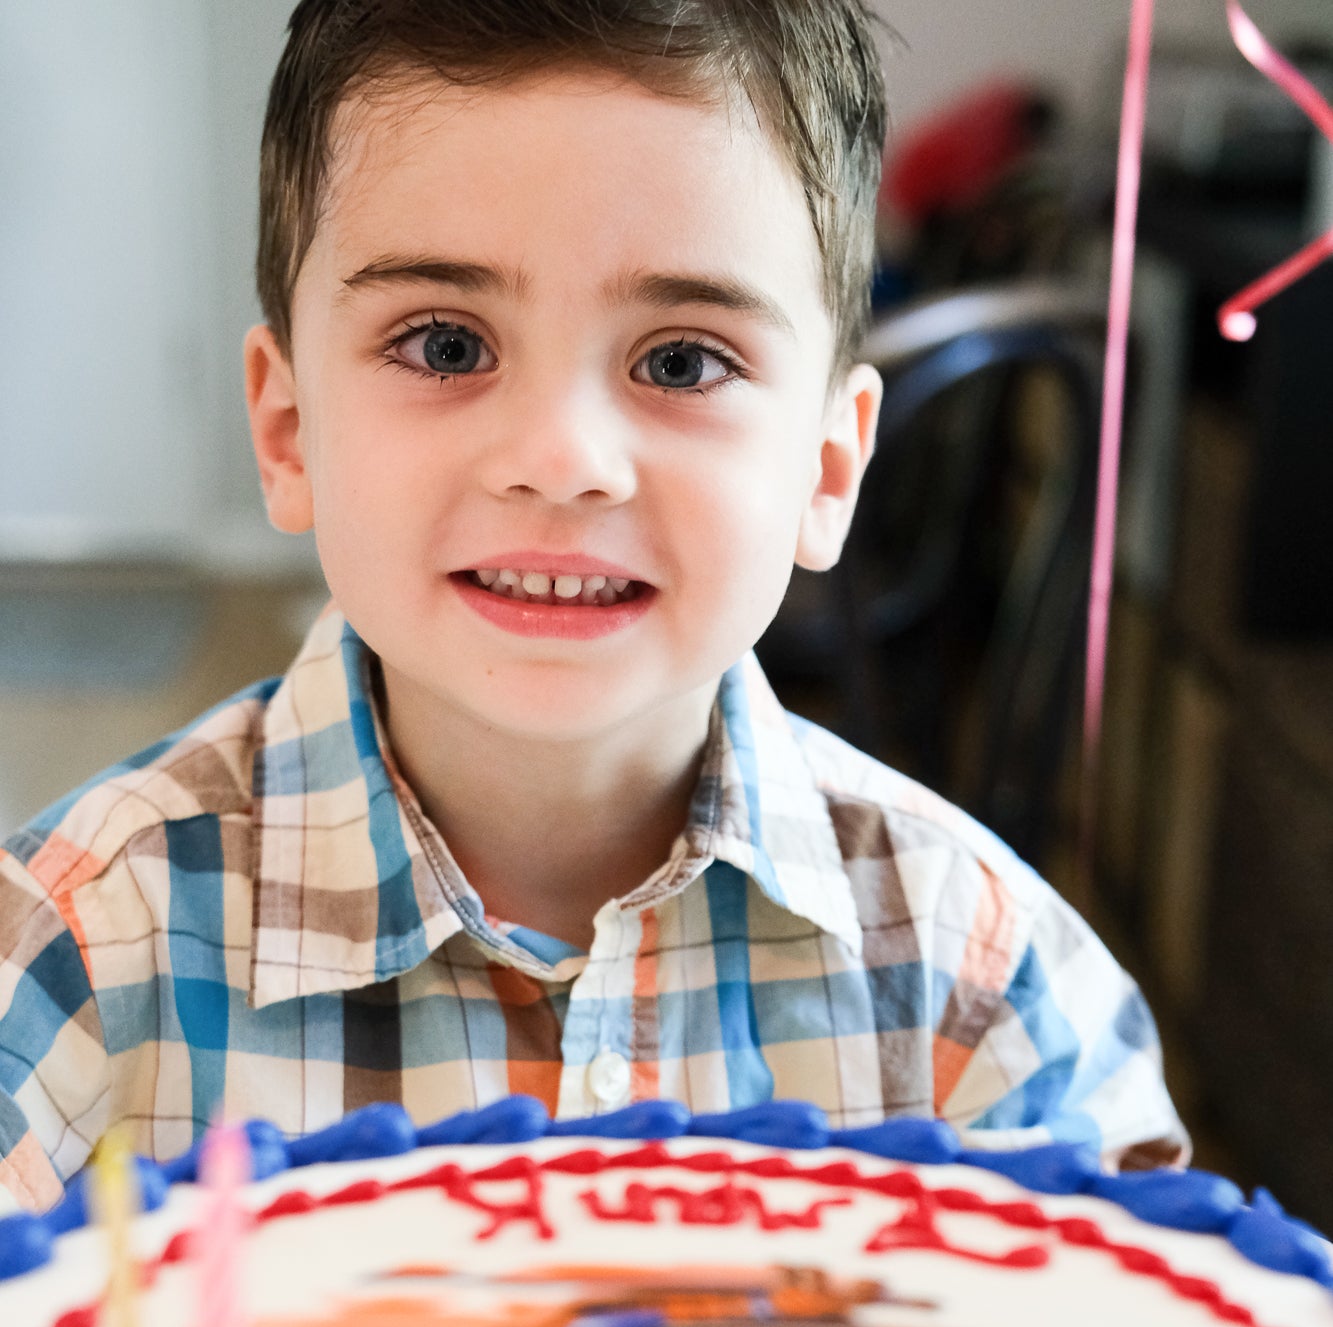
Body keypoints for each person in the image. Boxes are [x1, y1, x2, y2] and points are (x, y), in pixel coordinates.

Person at [0, 0, 1185, 1214]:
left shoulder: (987, 1001)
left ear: (827, 470)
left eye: (680, 361)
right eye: (447, 345)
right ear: (289, 430)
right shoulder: (69, 968)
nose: (561, 458)